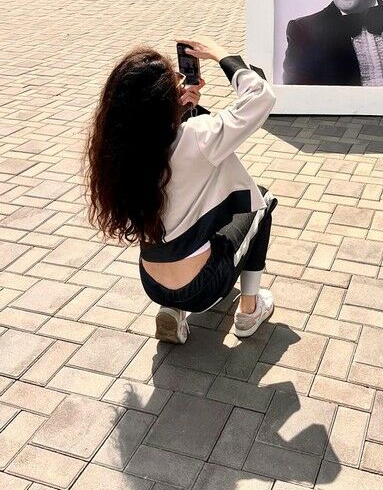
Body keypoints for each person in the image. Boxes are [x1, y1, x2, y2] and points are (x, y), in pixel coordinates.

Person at [85, 36, 277, 344]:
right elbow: (261, 97)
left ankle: (172, 313)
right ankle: (249, 310)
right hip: (202, 286)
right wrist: (221, 55)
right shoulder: (198, 137)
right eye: (175, 84)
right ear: (163, 103)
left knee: (171, 222)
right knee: (263, 201)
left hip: (152, 281)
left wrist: (184, 107)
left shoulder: (121, 150)